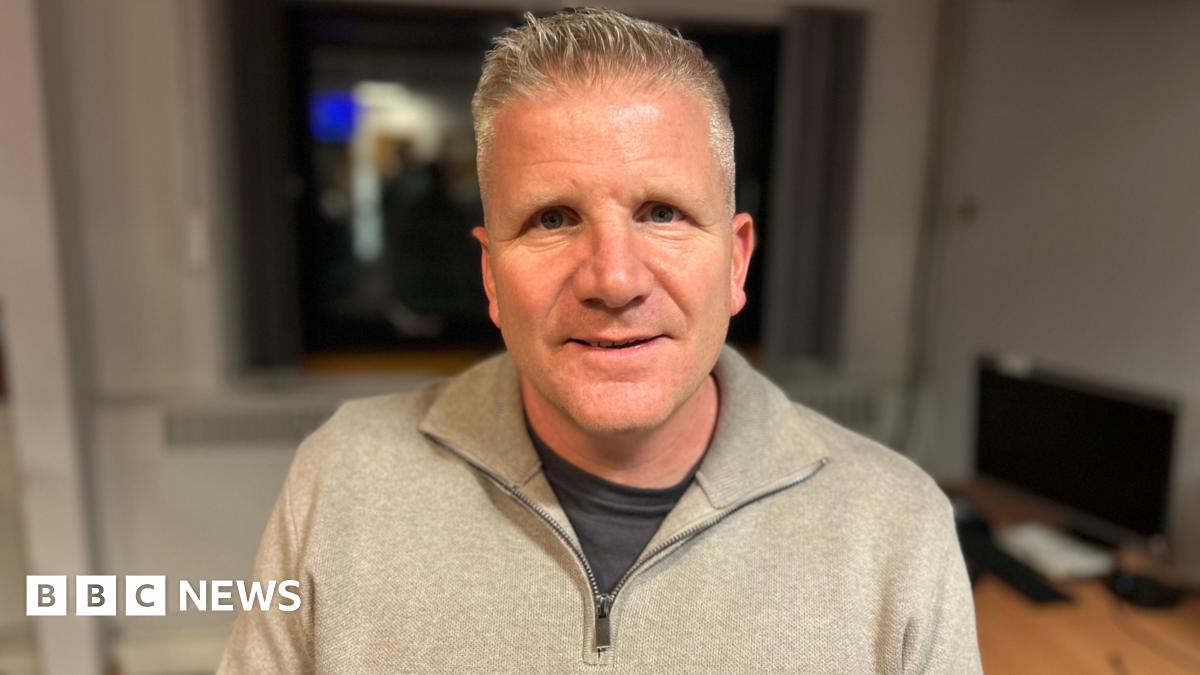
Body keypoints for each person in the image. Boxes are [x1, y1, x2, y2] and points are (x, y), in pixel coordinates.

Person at [218, 8, 981, 673]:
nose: (614, 279)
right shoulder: (341, 476)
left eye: (662, 213)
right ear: (490, 275)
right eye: (552, 219)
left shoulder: (896, 529)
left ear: (737, 260)